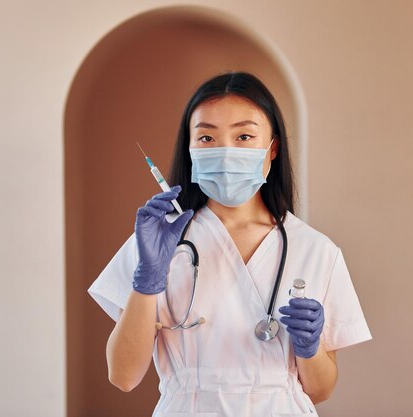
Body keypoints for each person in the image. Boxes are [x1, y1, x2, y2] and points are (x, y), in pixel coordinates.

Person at [88, 72, 372, 417]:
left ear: (273, 148)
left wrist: (309, 348)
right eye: (207, 137)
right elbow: (123, 376)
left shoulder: (314, 249)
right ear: (190, 149)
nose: (225, 153)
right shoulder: (158, 241)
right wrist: (148, 277)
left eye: (244, 136)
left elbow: (320, 389)